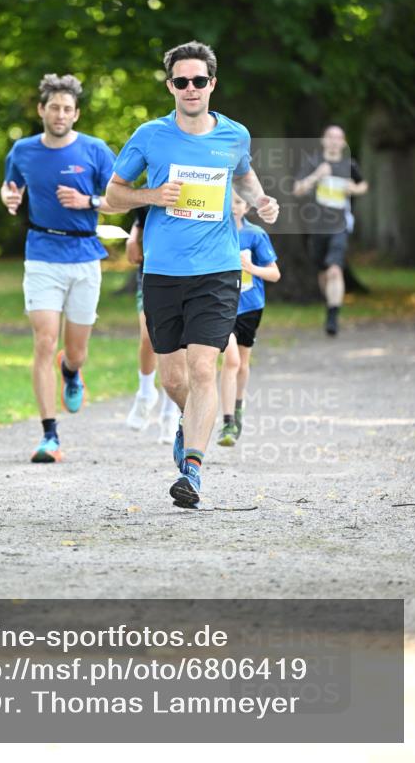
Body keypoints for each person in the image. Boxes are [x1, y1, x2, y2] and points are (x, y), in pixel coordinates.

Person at [106, 40, 279, 508]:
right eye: (181, 81)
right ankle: (191, 422)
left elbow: (243, 174)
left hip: (218, 270)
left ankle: (193, 471)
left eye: (198, 80)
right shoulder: (149, 136)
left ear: (212, 84)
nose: (190, 88)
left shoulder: (234, 135)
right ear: (170, 86)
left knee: (204, 367)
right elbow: (112, 196)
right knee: (173, 378)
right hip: (163, 272)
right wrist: (152, 196)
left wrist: (261, 200)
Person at [1, 73, 116, 463]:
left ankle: (71, 371)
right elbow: (11, 185)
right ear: (41, 110)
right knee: (44, 342)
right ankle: (49, 436)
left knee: (76, 351)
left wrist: (88, 202)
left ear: (76, 114)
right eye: (54, 107)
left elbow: (121, 198)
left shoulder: (95, 150)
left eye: (67, 108)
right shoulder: (23, 150)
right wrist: (9, 197)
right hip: (41, 255)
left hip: (84, 257)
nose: (61, 114)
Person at [218, 191, 281, 447]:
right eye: (229, 201)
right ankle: (227, 422)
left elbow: (275, 274)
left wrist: (251, 268)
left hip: (250, 306)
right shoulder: (214, 233)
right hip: (221, 307)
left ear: (246, 207)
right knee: (231, 360)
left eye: (239, 202)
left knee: (242, 364)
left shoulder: (255, 235)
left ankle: (238, 405)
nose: (233, 206)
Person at [293, 125, 368, 336]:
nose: (334, 141)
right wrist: (317, 176)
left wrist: (353, 188)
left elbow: (363, 185)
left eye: (339, 138)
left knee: (335, 269)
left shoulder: (349, 165)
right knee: (324, 272)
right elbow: (297, 190)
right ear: (323, 140)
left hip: (340, 225)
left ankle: (333, 316)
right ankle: (330, 304)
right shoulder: (313, 163)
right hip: (317, 226)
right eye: (330, 137)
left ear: (343, 143)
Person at [125, 207, 181, 441]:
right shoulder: (151, 190)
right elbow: (141, 216)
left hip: (188, 272)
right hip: (151, 271)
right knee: (149, 336)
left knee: (179, 345)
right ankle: (146, 392)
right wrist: (133, 237)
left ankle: (170, 413)